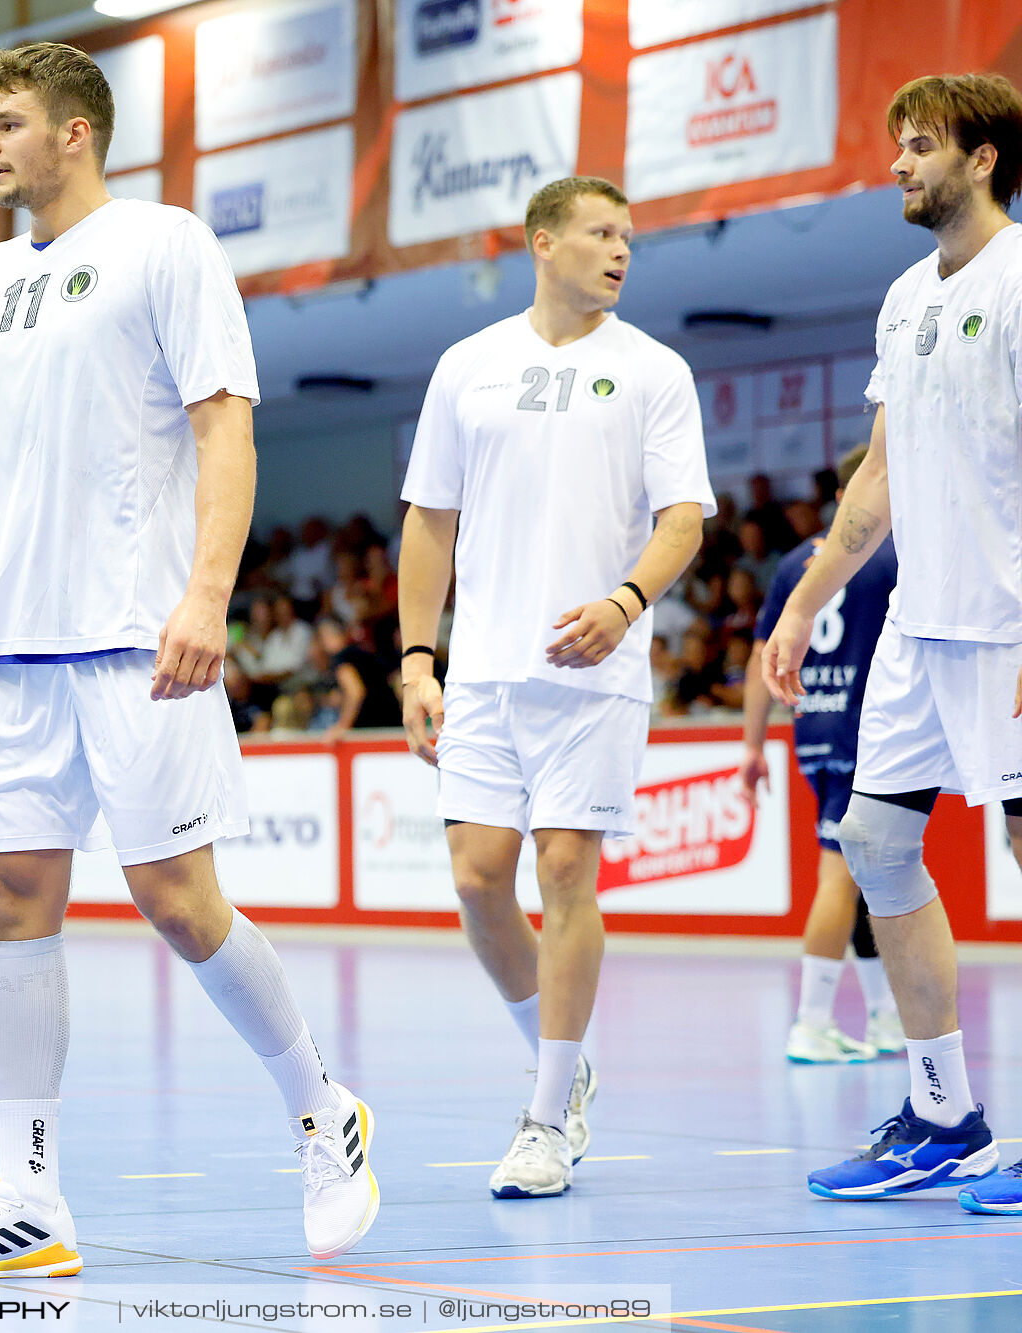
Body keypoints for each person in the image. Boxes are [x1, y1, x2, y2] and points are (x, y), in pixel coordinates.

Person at [0, 42, 377, 1276]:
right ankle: (26, 1200)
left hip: (136, 644)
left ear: (74, 133)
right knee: (11, 902)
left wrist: (207, 595)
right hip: (8, 650)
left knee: (177, 904)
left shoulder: (165, 245)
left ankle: (322, 1114)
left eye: (7, 120)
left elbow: (223, 428)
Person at [399, 175, 712, 1200]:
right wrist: (414, 658)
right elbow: (429, 521)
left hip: (596, 670)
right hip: (483, 671)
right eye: (599, 233)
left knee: (564, 871)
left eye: (628, 236)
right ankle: (565, 1058)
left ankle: (543, 1115)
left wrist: (624, 603)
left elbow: (680, 519)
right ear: (542, 242)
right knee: (478, 881)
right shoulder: (466, 366)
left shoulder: (654, 371)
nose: (620, 251)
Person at [761, 73, 1022, 1210]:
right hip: (922, 625)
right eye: (891, 143)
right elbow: (875, 478)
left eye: (916, 144)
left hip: (1010, 616)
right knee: (872, 844)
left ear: (982, 159)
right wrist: (803, 598)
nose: (894, 164)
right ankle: (941, 1115)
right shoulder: (903, 296)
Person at [740, 446, 905, 1064]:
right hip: (870, 734)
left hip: (813, 732)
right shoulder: (892, 554)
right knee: (843, 876)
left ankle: (886, 1016)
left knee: (864, 874)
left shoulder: (791, 565)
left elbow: (762, 660)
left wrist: (753, 745)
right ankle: (810, 1021)